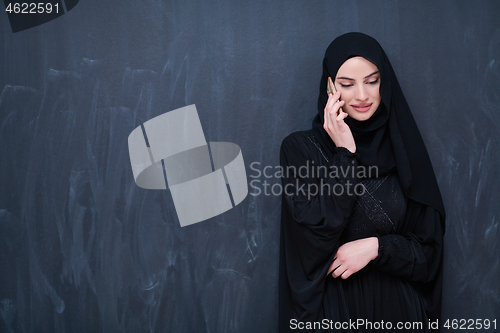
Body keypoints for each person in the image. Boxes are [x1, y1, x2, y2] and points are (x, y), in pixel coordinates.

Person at [279, 32, 446, 332]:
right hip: (334, 314)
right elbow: (312, 243)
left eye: (372, 81)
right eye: (346, 84)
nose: (362, 96)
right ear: (329, 86)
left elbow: (429, 257)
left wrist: (376, 248)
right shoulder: (300, 150)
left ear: (386, 82)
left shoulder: (404, 152)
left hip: (400, 315)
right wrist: (345, 153)